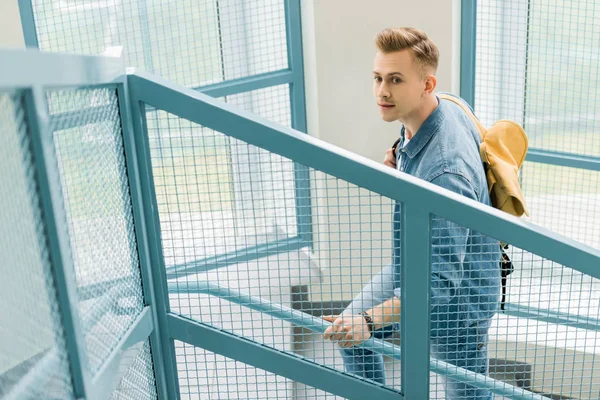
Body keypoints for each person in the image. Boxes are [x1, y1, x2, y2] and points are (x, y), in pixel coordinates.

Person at [322, 27, 501, 400]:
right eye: (377, 78)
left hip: (457, 305)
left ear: (426, 83)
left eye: (395, 80)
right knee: (349, 336)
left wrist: (369, 322)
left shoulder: (445, 172)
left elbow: (438, 283)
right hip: (414, 265)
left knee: (465, 393)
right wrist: (398, 163)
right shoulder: (441, 105)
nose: (381, 91)